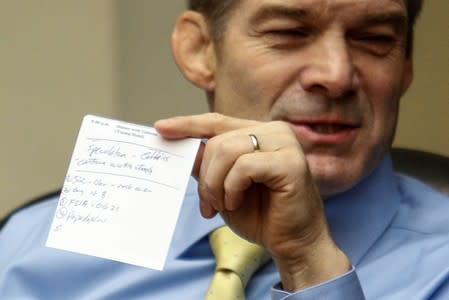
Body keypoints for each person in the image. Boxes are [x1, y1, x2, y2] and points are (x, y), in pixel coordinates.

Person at [0, 0, 448, 299]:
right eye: (290, 32)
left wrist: (311, 262)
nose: (336, 75)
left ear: (405, 66)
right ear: (199, 50)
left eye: (375, 39)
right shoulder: (31, 243)